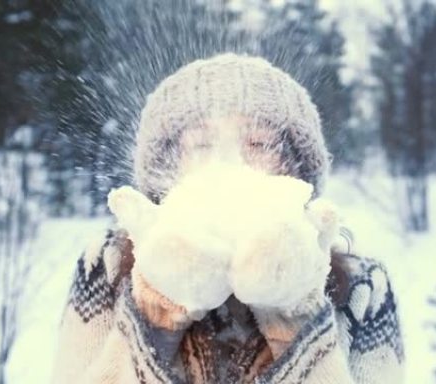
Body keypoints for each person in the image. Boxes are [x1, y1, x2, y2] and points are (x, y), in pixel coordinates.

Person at [51, 54, 404, 384]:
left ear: (296, 170)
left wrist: (294, 307)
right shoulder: (107, 264)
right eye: (201, 145)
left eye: (259, 144)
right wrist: (158, 304)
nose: (229, 160)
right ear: (168, 165)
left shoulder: (363, 285)